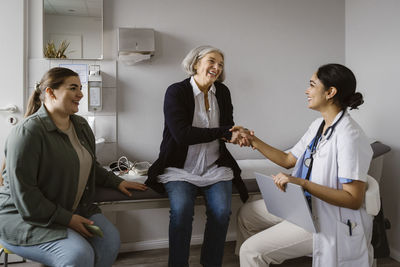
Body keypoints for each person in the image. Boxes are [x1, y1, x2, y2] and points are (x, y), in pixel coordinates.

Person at [0, 67, 147, 267]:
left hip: (69, 207)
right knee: (78, 254)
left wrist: (117, 181)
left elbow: (90, 166)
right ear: (51, 92)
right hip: (23, 217)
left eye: (80, 87)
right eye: (73, 88)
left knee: (110, 241)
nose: (81, 94)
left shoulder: (80, 126)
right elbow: (27, 197)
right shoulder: (28, 133)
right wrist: (68, 219)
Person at [232, 64, 373, 267]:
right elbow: (288, 160)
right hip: (303, 205)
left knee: (251, 251)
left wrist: (301, 183)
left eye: (312, 85)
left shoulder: (350, 136)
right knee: (247, 215)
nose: (307, 90)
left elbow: (353, 199)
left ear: (330, 92)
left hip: (326, 220)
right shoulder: (318, 126)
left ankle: (253, 259)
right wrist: (252, 140)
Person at [146, 45, 248, 267]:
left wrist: (238, 134)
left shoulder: (223, 92)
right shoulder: (176, 91)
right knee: (181, 213)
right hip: (180, 170)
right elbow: (182, 135)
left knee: (221, 213)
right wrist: (223, 132)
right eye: (211, 61)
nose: (217, 67)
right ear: (195, 64)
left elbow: (226, 129)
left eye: (220, 64)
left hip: (214, 167)